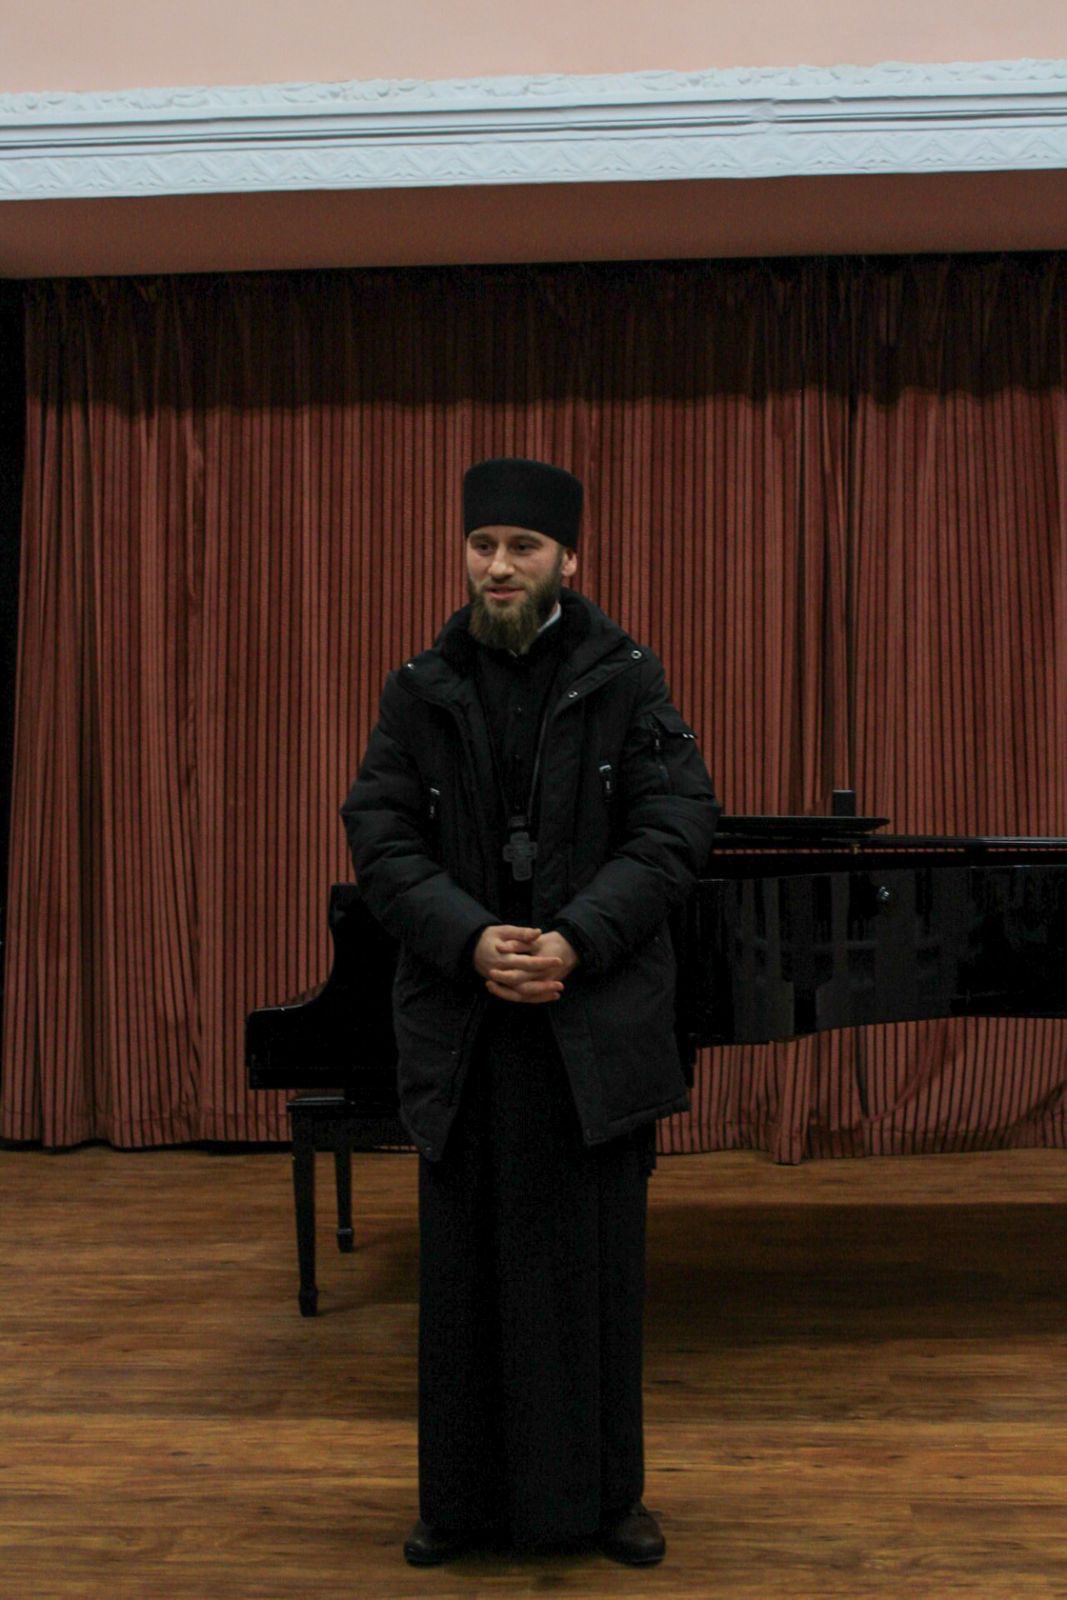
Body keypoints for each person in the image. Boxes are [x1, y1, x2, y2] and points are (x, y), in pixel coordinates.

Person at [341, 457, 718, 1566]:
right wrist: (470, 938)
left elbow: (674, 829)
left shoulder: (629, 679)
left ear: (567, 560)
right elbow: (381, 837)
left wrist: (573, 938)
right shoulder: (416, 689)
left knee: (593, 1279)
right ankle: (455, 1506)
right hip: (466, 1026)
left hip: (587, 1021)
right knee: (461, 1280)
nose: (497, 565)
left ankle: (606, 1501)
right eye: (482, 545)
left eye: (521, 547)